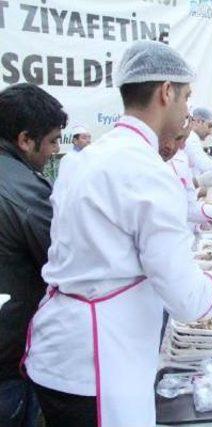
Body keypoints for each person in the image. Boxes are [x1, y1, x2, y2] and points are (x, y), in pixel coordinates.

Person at [22, 40, 212, 427]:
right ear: (166, 92)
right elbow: (188, 301)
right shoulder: (146, 171)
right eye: (186, 97)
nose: (188, 111)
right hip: (98, 362)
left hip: (58, 350)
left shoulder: (84, 159)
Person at [0, 83, 67, 427]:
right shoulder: (24, 190)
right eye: (54, 140)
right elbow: (65, 262)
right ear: (26, 139)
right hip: (8, 357)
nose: (55, 151)